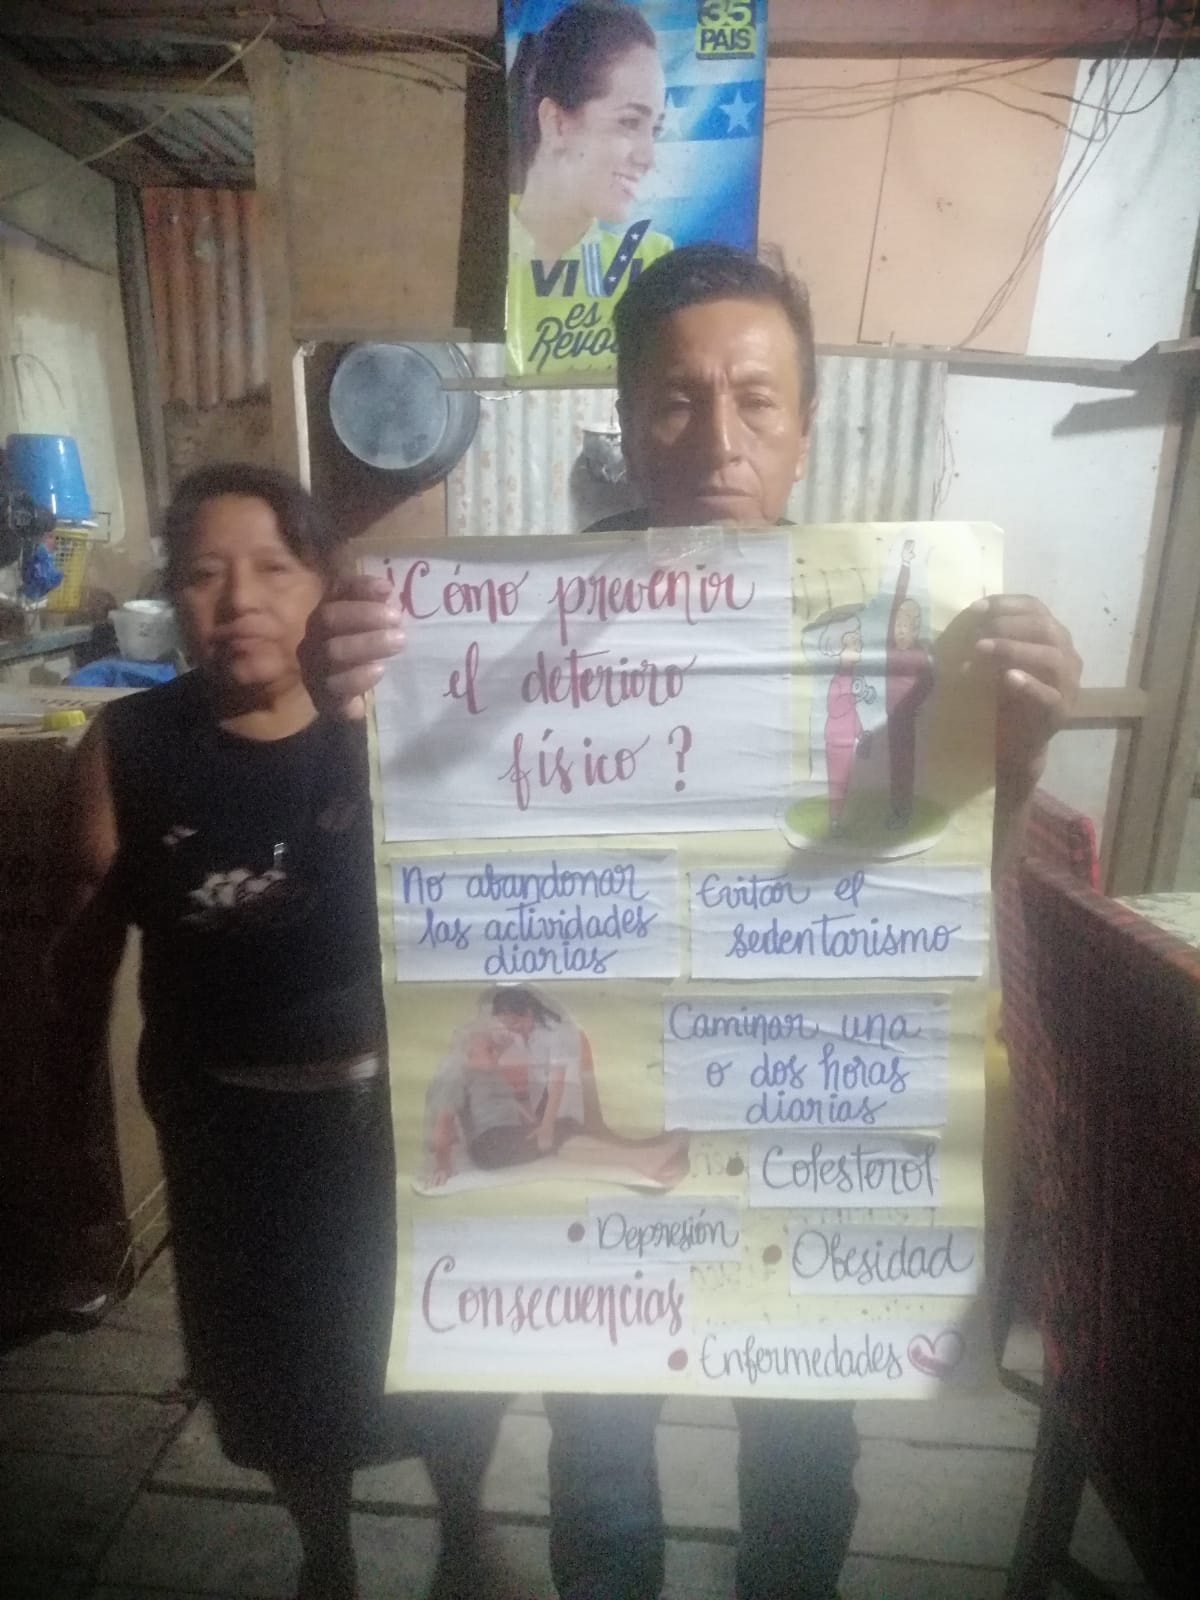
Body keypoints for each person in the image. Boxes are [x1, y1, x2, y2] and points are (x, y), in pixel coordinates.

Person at [302, 242, 1082, 1600]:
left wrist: (1013, 760)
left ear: (805, 427)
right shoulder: (494, 631)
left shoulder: (903, 631)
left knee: (805, 1451)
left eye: (756, 399)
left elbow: (963, 896)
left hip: (810, 1119)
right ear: (627, 414)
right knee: (601, 1450)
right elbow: (406, 868)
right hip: (596, 1150)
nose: (720, 437)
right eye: (678, 399)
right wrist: (353, 715)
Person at [53, 464, 506, 1600]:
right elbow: (79, 960)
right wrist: (71, 1135)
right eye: (204, 573)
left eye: (272, 567)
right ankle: (326, 1554)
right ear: (172, 595)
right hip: (232, 1140)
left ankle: (468, 1530)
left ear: (325, 584)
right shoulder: (127, 747)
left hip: (404, 1131)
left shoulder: (410, 726)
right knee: (276, 1376)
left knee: (448, 1353)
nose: (239, 599)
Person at [506, 0, 672, 375]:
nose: (648, 158)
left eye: (656, 129)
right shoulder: (488, 246)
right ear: (556, 122)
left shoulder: (655, 260)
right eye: (629, 122)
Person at [423, 985, 688, 1187]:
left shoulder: (489, 1069)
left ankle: (642, 1157)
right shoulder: (455, 1074)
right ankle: (644, 1161)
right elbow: (443, 1126)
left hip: (507, 1134)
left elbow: (508, 1102)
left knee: (566, 1127)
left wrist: (533, 1122)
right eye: (489, 1047)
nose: (498, 1046)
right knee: (559, 1134)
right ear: (467, 1051)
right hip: (490, 1146)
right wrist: (443, 1165)